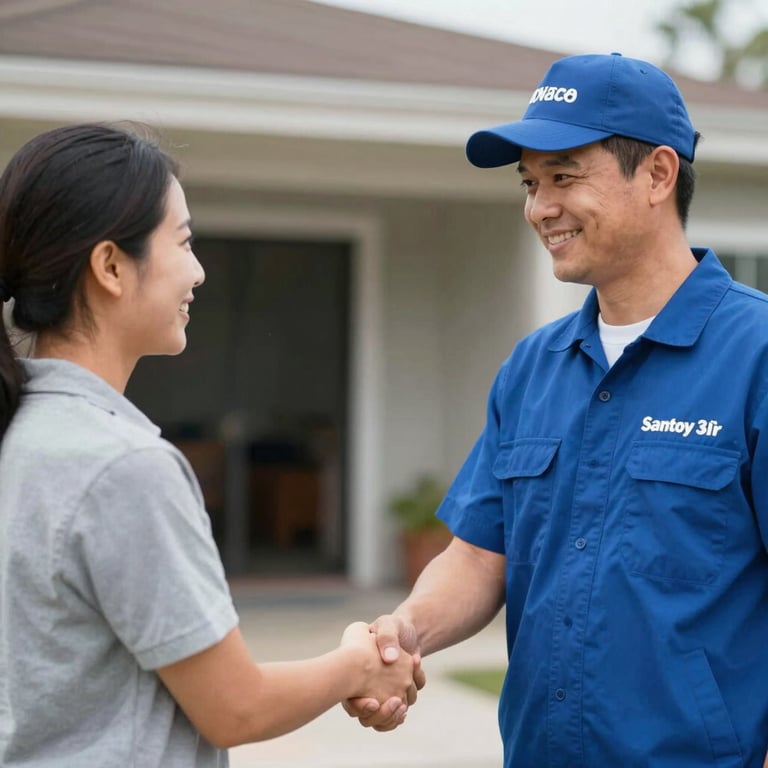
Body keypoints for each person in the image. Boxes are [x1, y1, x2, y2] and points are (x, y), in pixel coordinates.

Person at [346, 52, 768, 767]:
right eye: (531, 182)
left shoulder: (755, 354)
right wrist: (402, 634)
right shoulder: (532, 369)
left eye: (564, 176)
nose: (540, 207)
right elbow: (482, 555)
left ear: (659, 175)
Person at [0, 122, 418, 768]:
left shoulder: (23, 433)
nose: (197, 271)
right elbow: (234, 706)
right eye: (184, 241)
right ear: (111, 266)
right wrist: (361, 664)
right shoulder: (123, 467)